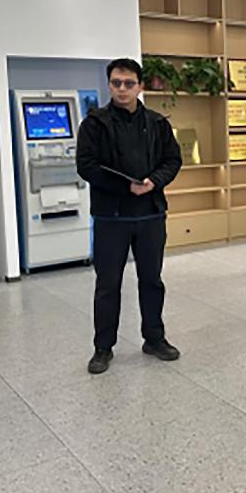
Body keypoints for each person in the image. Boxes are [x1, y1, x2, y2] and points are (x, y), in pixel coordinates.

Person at [76, 58, 182, 375]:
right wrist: (126, 187)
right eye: (116, 83)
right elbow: (86, 166)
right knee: (108, 284)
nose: (122, 89)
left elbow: (173, 160)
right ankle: (103, 348)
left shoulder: (158, 123)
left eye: (129, 83)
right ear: (109, 85)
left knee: (152, 280)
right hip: (111, 217)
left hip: (151, 214)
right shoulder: (94, 124)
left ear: (140, 86)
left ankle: (154, 338)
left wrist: (153, 182)